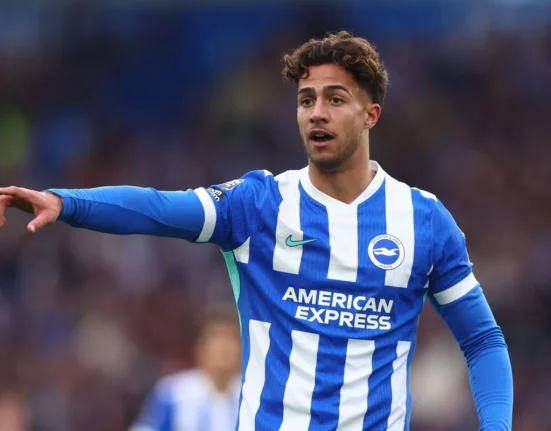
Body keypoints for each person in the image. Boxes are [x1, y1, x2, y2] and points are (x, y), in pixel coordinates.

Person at [0, 31, 513, 430]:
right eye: (306, 99)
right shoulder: (259, 204)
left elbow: (483, 340)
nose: (317, 113)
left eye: (335, 99)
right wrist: (65, 202)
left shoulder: (423, 220)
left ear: (370, 114)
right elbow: (158, 208)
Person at [130, 309, 242, 431]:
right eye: (217, 338)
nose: (225, 347)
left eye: (232, 338)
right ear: (200, 348)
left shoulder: (250, 394)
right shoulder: (174, 393)